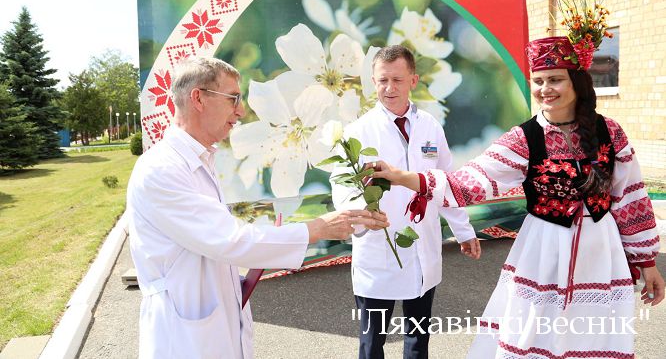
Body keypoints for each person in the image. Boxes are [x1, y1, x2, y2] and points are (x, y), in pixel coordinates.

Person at [370, 36, 664, 358]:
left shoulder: (610, 132)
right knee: (533, 336)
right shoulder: (525, 137)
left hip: (600, 254)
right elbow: (469, 182)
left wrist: (646, 262)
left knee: (592, 339)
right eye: (538, 81)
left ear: (576, 81)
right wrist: (402, 177)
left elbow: (630, 198)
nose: (545, 88)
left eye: (555, 79)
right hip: (543, 252)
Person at [127, 57, 389, 359]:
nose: (240, 111)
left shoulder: (198, 161)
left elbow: (211, 246)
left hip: (209, 325)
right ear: (198, 98)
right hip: (183, 338)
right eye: (233, 99)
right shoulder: (162, 170)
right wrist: (318, 229)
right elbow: (230, 241)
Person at [330, 45, 481, 359]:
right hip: (378, 253)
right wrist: (359, 222)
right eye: (382, 80)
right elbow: (342, 189)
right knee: (372, 345)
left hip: (422, 247)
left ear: (413, 80)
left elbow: (446, 182)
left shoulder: (430, 126)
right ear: (373, 81)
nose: (389, 88)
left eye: (397, 80)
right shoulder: (358, 132)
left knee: (417, 341)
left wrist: (464, 231)